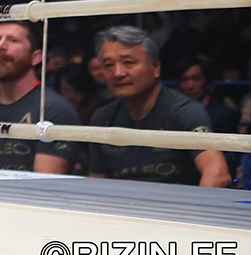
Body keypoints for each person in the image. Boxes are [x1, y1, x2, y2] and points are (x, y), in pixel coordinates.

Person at [89, 25, 230, 187]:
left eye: (128, 63)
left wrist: (193, 204)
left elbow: (218, 174)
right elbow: (96, 182)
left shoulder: (184, 112)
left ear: (156, 67)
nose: (118, 73)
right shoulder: (102, 118)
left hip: (174, 202)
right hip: (120, 202)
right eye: (108, 65)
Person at [0, 22, 79, 173]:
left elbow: (43, 183)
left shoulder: (55, 110)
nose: (0, 46)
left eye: (13, 40)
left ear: (36, 57)